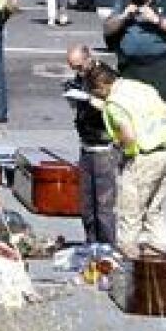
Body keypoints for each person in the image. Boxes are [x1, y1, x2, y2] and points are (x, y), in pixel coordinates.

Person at [87, 63, 166, 255]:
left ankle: (128, 265)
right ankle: (162, 260)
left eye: (95, 92)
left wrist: (117, 145)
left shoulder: (113, 104)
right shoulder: (140, 87)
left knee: (130, 213)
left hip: (144, 158)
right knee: (154, 211)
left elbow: (129, 136)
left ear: (101, 86)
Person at [63, 45, 121, 246]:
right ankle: (91, 245)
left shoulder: (105, 76)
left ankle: (107, 249)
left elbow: (112, 105)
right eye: (73, 68)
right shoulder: (83, 77)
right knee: (87, 206)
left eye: (79, 66)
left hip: (103, 148)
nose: (77, 71)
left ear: (89, 58)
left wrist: (88, 99)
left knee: (103, 206)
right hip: (87, 145)